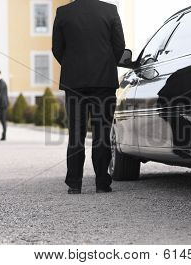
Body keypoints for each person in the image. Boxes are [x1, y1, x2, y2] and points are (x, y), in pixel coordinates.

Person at [52, 0, 125, 194]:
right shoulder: (110, 10)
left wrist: (71, 66)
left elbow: (57, 48)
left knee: (76, 132)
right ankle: (102, 183)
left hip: (74, 82)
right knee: (102, 131)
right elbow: (120, 46)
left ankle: (74, 183)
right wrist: (107, 63)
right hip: (104, 80)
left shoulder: (63, 12)